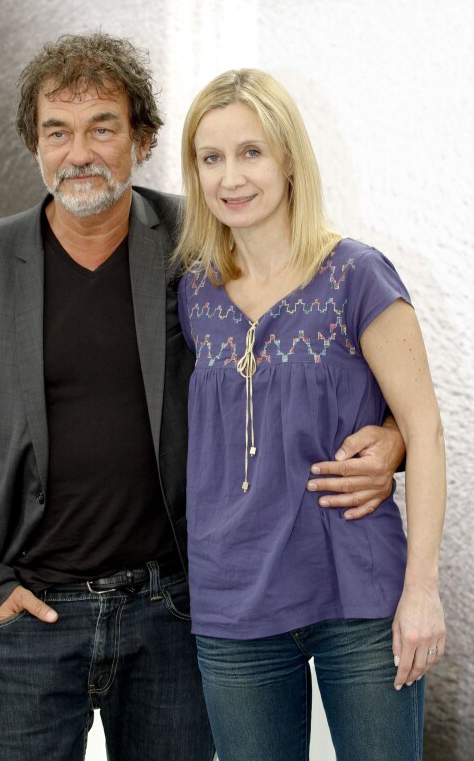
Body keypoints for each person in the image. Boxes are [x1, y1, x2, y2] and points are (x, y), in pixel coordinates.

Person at [0, 33, 402, 761]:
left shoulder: (200, 241)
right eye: (58, 131)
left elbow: (324, 311)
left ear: (140, 140)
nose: (80, 152)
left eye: (102, 127)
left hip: (171, 613)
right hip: (26, 618)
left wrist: (393, 434)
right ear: (35, 145)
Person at [175, 69, 446, 761]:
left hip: (355, 593)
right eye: (211, 158)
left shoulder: (358, 275)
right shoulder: (195, 294)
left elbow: (424, 432)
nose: (231, 176)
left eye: (251, 152)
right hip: (231, 604)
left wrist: (421, 593)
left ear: (290, 159)